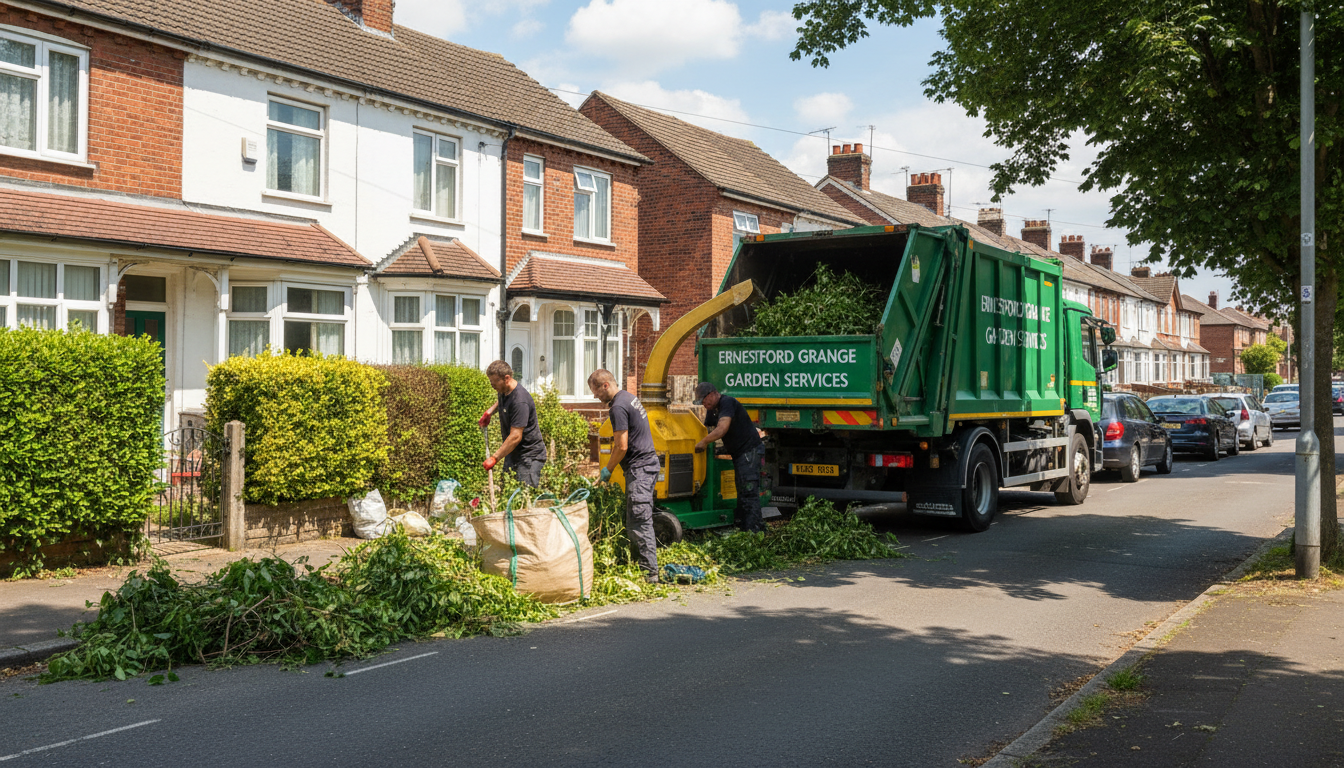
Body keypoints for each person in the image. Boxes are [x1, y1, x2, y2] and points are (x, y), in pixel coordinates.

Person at [588, 368, 660, 583]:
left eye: (596, 391)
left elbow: (621, 446)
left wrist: (607, 470)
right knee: (634, 520)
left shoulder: (618, 407)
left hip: (641, 468)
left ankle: (650, 574)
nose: (595, 396)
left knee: (639, 518)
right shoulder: (629, 397)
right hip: (645, 465)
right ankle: (641, 567)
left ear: (606, 385)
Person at [693, 382, 765, 532]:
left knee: (748, 492)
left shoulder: (727, 402)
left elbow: (722, 429)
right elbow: (706, 429)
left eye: (704, 401)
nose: (703, 405)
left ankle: (756, 532)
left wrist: (703, 443)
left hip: (748, 451)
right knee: (742, 492)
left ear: (712, 394)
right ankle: (745, 529)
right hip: (738, 453)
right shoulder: (713, 409)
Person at [480, 360, 547, 487]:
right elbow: (503, 400)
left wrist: (494, 458)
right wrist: (489, 412)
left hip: (529, 456)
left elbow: (516, 436)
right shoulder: (504, 390)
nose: (492, 385)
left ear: (507, 378)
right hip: (514, 453)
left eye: (494, 382)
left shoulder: (520, 401)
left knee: (522, 496)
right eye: (490, 382)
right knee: (506, 490)